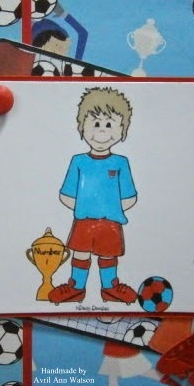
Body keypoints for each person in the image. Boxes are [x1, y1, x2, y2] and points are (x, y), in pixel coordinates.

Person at [48, 87, 137, 305]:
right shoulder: (78, 161)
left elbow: (130, 197)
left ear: (122, 129)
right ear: (83, 127)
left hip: (111, 221)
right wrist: (86, 206)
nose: (102, 132)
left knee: (108, 254)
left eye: (109, 124)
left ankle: (110, 288)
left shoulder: (121, 162)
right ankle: (76, 288)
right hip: (84, 220)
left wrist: (109, 207)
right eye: (96, 124)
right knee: (80, 253)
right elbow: (66, 194)